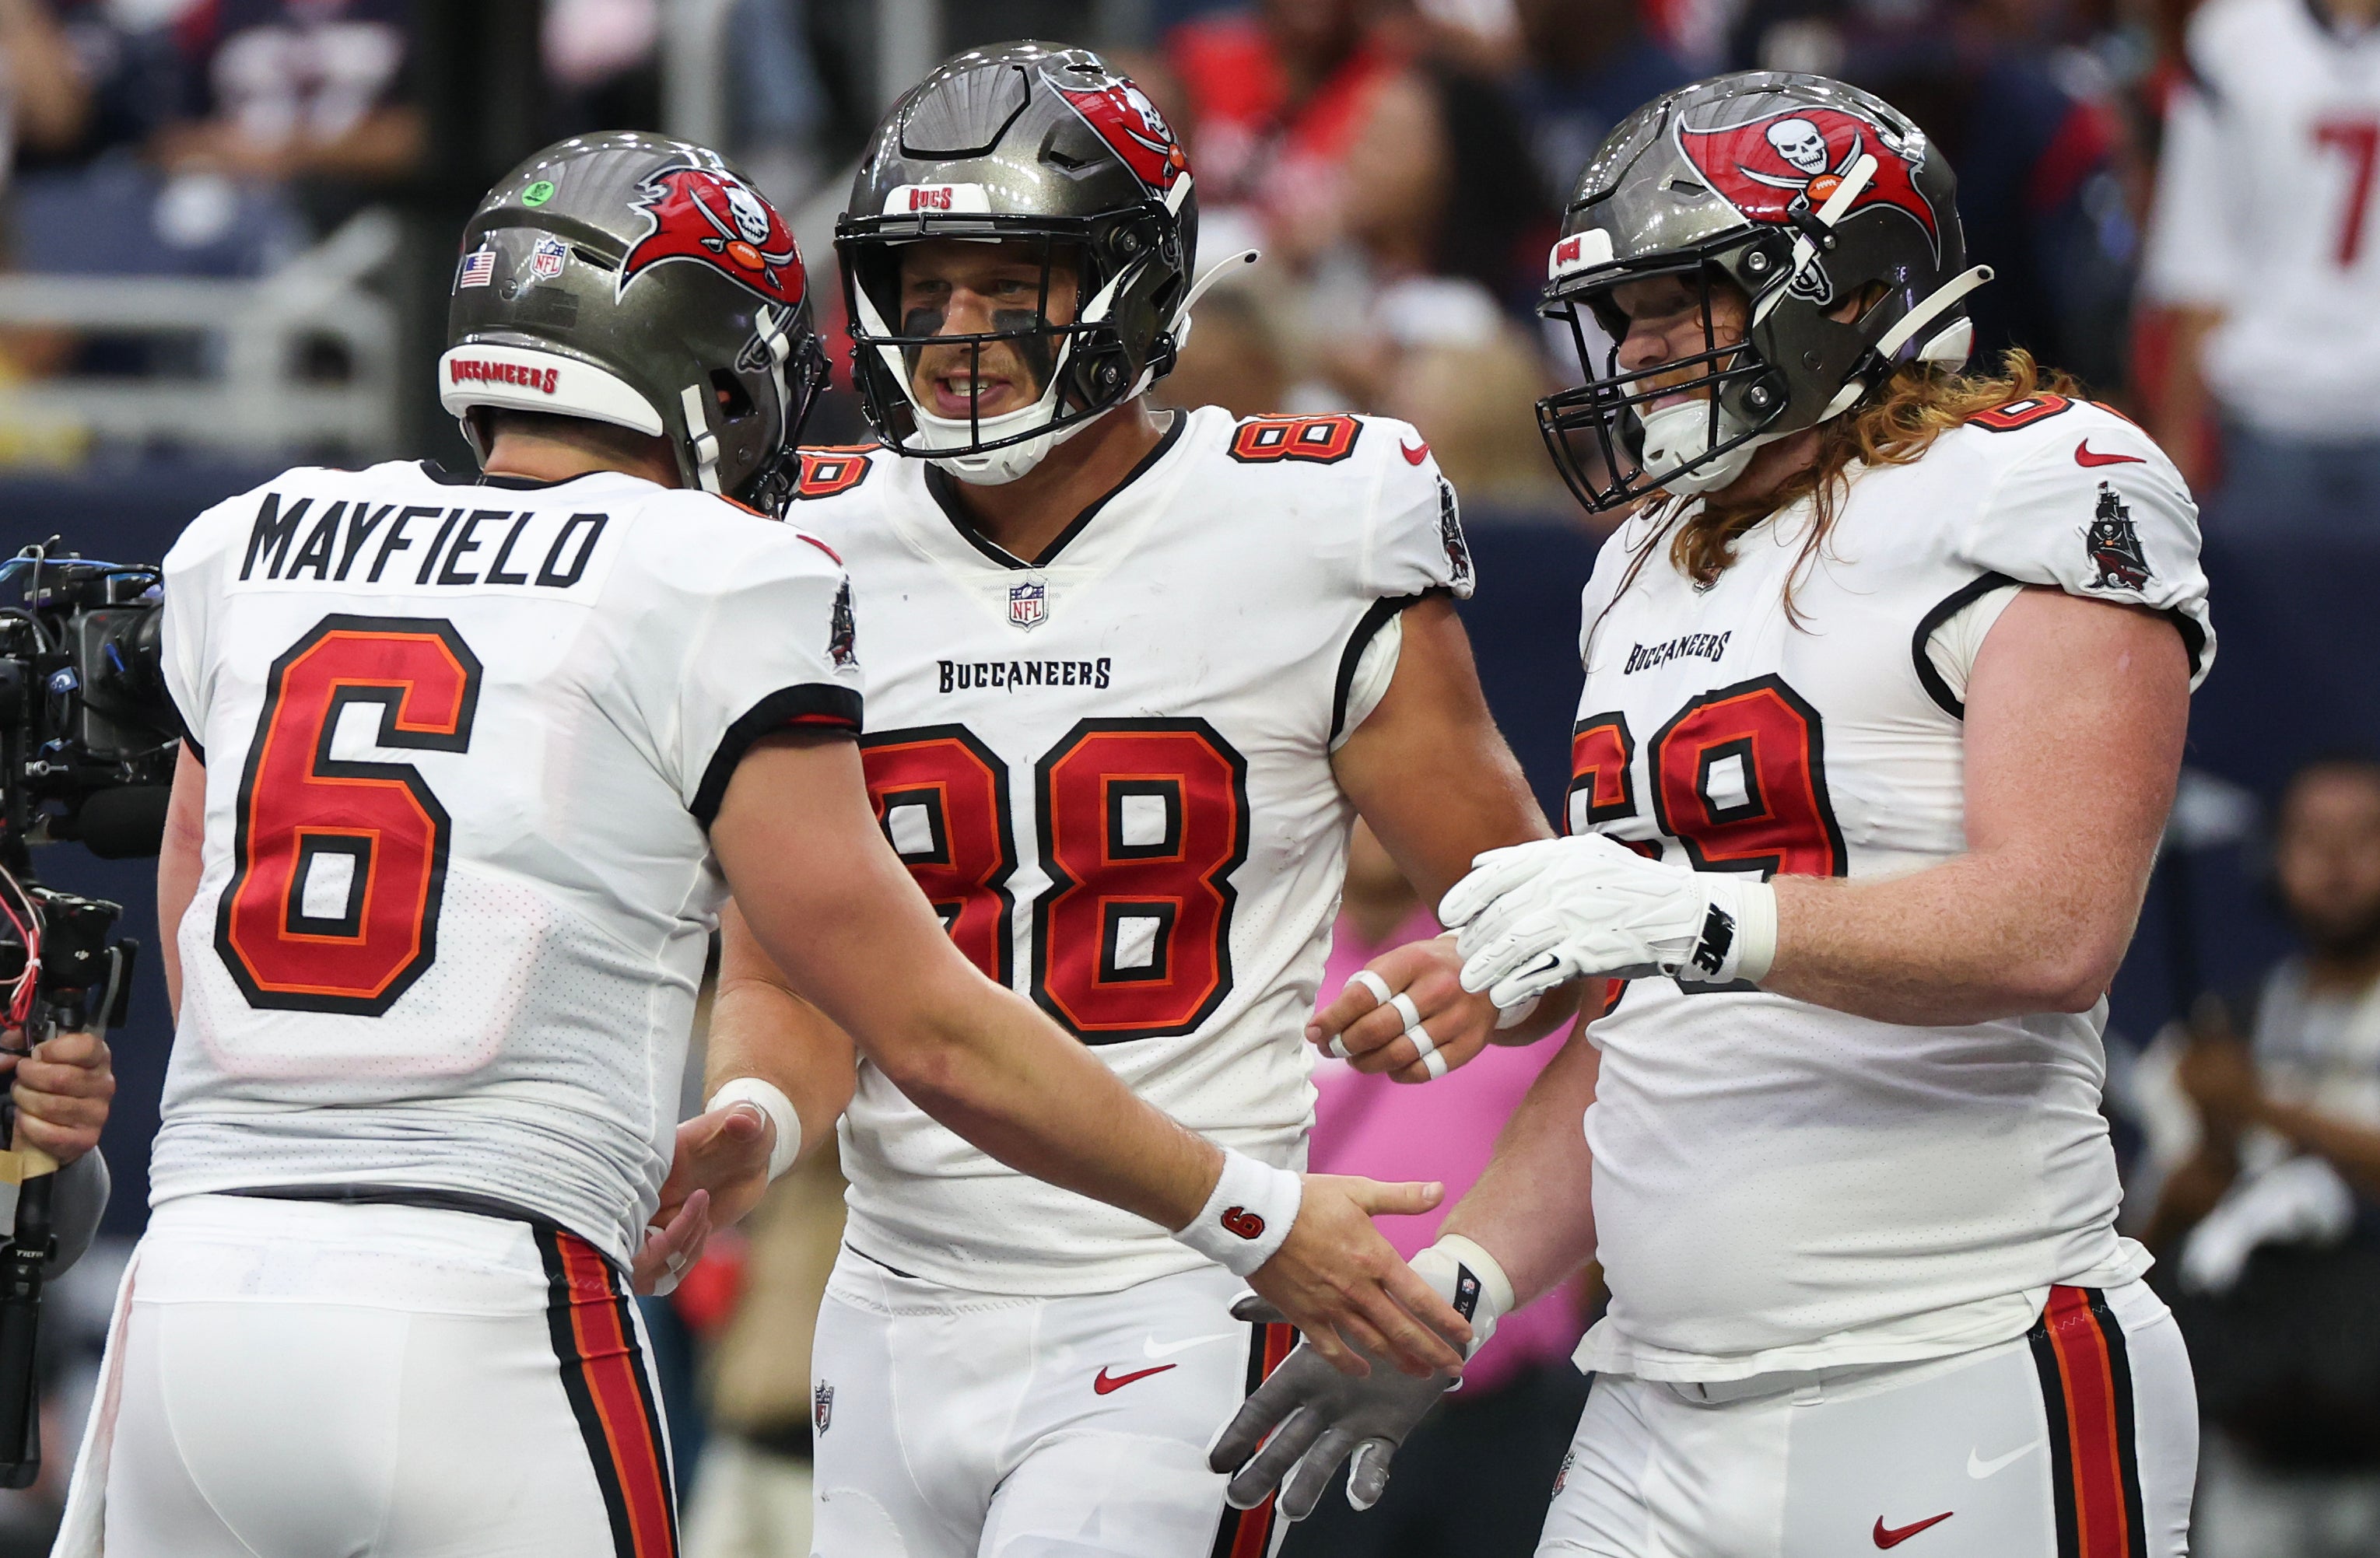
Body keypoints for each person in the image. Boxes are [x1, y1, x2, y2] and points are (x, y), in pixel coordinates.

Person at [51, 129, 1468, 1558]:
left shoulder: (253, 538)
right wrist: (1254, 1213)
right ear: (703, 355)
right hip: (496, 1288)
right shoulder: (722, 570)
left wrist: (754, 1114)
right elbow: (922, 1024)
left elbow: (199, 933)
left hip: (193, 1286)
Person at [1216, 70, 2217, 1556]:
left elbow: (2056, 924)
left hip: (1957, 1362)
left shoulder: (2036, 479)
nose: (1635, 350)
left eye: (1682, 300)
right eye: (1621, 315)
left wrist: (1689, 914)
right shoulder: (1640, 562)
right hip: (1653, 1403)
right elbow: (1657, 1034)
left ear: (1848, 288)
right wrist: (1465, 1285)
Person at [719, 41, 1573, 1558]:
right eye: (925, 286)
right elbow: (791, 968)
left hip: (1183, 1286)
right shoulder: (810, 535)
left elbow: (1541, 917)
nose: (957, 331)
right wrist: (753, 1110)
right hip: (889, 1297)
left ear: (1131, 283)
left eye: (1008, 284)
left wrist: (1488, 963)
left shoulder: (1311, 515)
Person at [2142, 756, 2380, 1558]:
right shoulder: (2228, 1027)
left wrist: (2262, 1108)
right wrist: (2207, 1151)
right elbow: (2148, 1233)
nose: (2337, 861)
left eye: (2365, 835)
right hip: (2251, 1444)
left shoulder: (2241, 1076)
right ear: (2272, 854)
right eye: (2311, 837)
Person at [2140, 0, 2380, 530]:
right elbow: (2199, 255)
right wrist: (2176, 445)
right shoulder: (2234, 39)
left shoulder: (2234, 34)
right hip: (2266, 413)